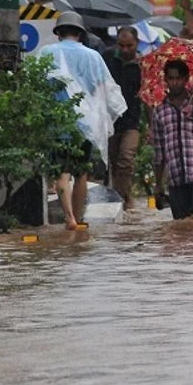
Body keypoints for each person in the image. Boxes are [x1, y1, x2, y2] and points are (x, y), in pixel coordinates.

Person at [38, 11, 127, 229]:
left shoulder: (46, 52)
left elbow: (37, 86)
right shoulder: (93, 57)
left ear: (59, 32)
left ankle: (68, 217)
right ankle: (77, 218)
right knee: (81, 174)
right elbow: (102, 88)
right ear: (80, 33)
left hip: (57, 123)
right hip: (85, 124)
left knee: (61, 172)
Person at [152, 60, 193, 220]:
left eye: (179, 78)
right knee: (181, 226)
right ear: (165, 79)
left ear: (186, 79)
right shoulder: (160, 111)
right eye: (171, 78)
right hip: (176, 176)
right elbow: (159, 151)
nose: (175, 83)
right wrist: (158, 183)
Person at [103, 27, 143, 210]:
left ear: (137, 44)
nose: (125, 50)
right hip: (110, 120)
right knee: (113, 162)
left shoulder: (143, 65)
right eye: (122, 45)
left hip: (132, 123)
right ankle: (125, 198)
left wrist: (152, 126)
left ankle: (119, 200)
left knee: (126, 159)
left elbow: (148, 96)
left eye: (130, 46)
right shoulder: (108, 58)